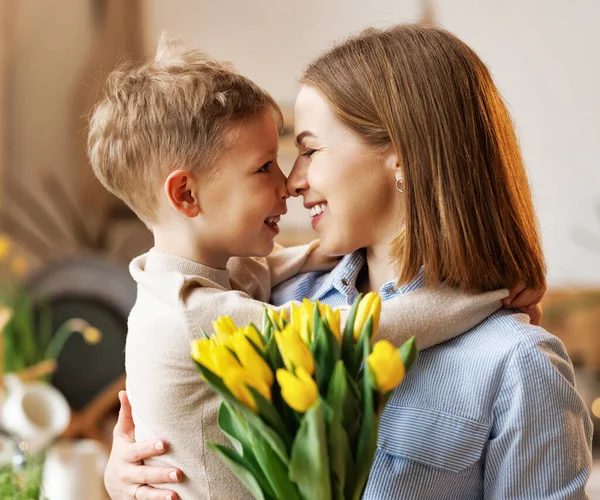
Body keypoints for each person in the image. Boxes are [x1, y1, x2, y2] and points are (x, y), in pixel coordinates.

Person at [88, 32, 520, 500]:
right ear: (186, 195)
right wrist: (477, 298)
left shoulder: (200, 279)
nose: (289, 183)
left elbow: (263, 271)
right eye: (264, 167)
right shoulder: (200, 310)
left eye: (306, 151)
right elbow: (349, 337)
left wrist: (316, 253)